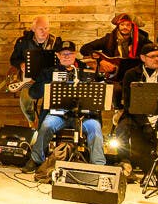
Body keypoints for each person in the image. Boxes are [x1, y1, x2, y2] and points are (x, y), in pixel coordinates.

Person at [22, 40, 106, 173]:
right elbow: (33, 93)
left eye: (70, 53)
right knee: (46, 126)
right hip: (57, 114)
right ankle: (36, 159)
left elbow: (99, 93)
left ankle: (99, 166)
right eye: (63, 54)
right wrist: (49, 84)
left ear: (75, 54)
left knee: (95, 128)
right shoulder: (49, 72)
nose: (66, 56)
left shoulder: (87, 70)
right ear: (58, 55)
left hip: (83, 116)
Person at [115, 42, 158, 177]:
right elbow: (129, 104)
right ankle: (125, 163)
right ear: (143, 58)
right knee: (121, 131)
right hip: (137, 116)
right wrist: (145, 123)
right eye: (153, 56)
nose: (157, 59)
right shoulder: (131, 74)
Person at [8, 16, 58, 127]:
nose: (44, 32)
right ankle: (32, 121)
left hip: (49, 80)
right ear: (33, 29)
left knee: (51, 101)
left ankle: (45, 126)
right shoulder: (23, 42)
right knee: (25, 101)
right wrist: (21, 64)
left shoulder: (56, 42)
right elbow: (13, 60)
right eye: (41, 29)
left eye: (46, 28)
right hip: (29, 79)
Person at [80, 13, 150, 78]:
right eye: (122, 24)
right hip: (112, 76)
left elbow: (153, 51)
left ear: (132, 27)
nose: (125, 27)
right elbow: (84, 48)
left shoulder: (141, 40)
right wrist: (100, 61)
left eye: (128, 25)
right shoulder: (109, 39)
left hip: (133, 76)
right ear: (118, 26)